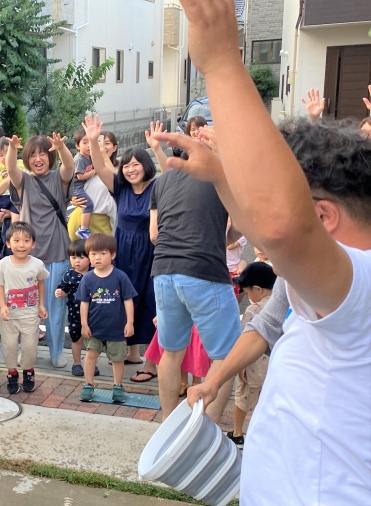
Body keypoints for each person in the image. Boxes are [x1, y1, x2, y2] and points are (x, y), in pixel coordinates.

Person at [164, 1, 371, 502]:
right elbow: (266, 325)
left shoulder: (357, 287)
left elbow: (281, 227)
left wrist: (220, 60)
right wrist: (213, 379)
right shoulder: (316, 292)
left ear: (321, 217)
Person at [146, 112, 241, 423]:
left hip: (163, 271)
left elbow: (155, 234)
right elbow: (238, 228)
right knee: (226, 356)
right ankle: (205, 431)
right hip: (204, 271)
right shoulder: (221, 174)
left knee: (171, 352)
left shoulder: (163, 180)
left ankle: (168, 423)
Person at [82, 118, 161, 379]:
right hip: (124, 251)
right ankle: (133, 352)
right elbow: (102, 168)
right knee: (127, 299)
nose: (130, 169)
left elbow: (171, 173)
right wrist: (93, 141)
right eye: (126, 165)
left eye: (136, 164)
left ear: (146, 166)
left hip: (150, 252)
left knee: (151, 303)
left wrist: (157, 148)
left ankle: (152, 364)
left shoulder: (157, 187)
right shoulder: (120, 189)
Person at [5, 133, 75, 369]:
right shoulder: (24, 181)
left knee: (56, 307)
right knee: (26, 308)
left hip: (57, 252)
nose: (38, 158)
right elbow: (11, 169)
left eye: (43, 153)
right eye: (33, 154)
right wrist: (12, 149)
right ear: (27, 158)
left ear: (50, 156)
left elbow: (69, 167)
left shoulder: (58, 179)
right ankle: (28, 352)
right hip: (28, 256)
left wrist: (62, 147)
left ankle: (57, 352)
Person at [75, 234, 136, 404]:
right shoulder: (87, 278)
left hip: (116, 328)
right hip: (94, 327)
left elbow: (128, 300)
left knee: (117, 358)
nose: (97, 258)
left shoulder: (120, 277)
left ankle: (118, 386)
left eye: (102, 253)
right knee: (90, 355)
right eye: (93, 254)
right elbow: (84, 303)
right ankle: (88, 384)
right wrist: (84, 324)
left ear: (113, 255)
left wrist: (130, 322)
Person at [0, 222, 49, 394]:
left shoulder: (37, 264)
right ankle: (12, 373)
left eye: (26, 240)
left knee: (30, 346)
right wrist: (2, 306)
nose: (21, 245)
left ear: (33, 244)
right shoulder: (3, 264)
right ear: (8, 243)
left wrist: (41, 304)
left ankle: (28, 371)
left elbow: (41, 283)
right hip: (9, 316)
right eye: (16, 241)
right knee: (9, 346)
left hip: (30, 314)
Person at [227, 262, 276, 447]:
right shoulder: (281, 306)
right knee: (267, 400)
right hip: (274, 366)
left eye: (248, 293)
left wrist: (240, 366)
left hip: (254, 366)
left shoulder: (254, 310)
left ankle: (238, 432)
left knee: (244, 397)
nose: (248, 297)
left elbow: (244, 339)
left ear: (258, 289)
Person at [54, 239, 97, 377]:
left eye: (81, 257)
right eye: (73, 258)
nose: (77, 261)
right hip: (75, 313)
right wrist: (60, 292)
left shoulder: (95, 273)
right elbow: (64, 290)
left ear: (90, 258)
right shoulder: (69, 275)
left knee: (93, 341)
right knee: (76, 339)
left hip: (93, 313)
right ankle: (77, 363)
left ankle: (91, 363)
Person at [70, 130, 98, 240]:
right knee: (88, 204)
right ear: (77, 146)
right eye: (85, 143)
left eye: (91, 142)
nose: (89, 146)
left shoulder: (89, 157)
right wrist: (96, 170)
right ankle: (83, 228)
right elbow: (80, 176)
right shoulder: (79, 159)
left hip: (80, 187)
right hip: (76, 188)